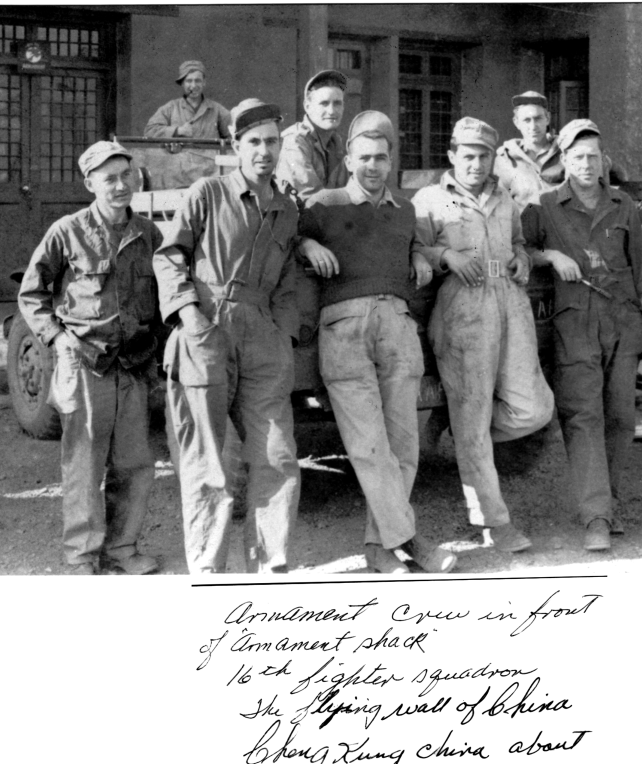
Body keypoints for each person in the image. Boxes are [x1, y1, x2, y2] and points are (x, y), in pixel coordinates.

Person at [297, 111, 457, 574]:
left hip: (398, 327)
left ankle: (379, 548)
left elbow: (409, 243)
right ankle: (409, 540)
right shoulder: (323, 204)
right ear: (348, 159)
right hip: (345, 330)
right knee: (368, 446)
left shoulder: (405, 211)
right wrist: (308, 245)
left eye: (381, 158)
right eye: (363, 157)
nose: (372, 166)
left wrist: (417, 254)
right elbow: (286, 239)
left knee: (403, 446)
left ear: (391, 163)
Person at [153, 99, 300, 574]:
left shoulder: (285, 208)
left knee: (275, 452)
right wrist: (190, 316)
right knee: (209, 458)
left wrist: (283, 333)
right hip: (207, 326)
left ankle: (271, 560)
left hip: (262, 334)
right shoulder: (207, 193)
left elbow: (288, 279)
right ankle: (208, 567)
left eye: (272, 141)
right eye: (253, 142)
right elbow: (169, 256)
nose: (263, 151)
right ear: (235, 146)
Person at [18, 141, 162, 575]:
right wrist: (56, 338)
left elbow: (160, 298)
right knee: (85, 464)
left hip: (134, 364)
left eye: (126, 176)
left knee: (135, 465)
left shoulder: (149, 234)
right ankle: (82, 556)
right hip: (85, 361)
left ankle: (122, 550)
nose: (120, 186)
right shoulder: (68, 230)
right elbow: (32, 293)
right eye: (109, 179)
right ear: (90, 184)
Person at [413, 117, 555, 555]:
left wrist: (521, 261)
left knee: (534, 408)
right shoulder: (429, 200)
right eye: (468, 155)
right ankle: (496, 523)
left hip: (510, 303)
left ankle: (456, 425)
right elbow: (413, 251)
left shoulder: (505, 197)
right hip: (462, 309)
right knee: (473, 426)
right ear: (452, 155)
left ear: (494, 158)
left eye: (484, 156)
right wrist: (445, 256)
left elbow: (517, 244)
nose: (476, 164)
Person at [522, 119, 642, 551]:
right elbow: (519, 250)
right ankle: (596, 516)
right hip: (575, 325)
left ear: (604, 161)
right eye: (577, 157)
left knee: (621, 418)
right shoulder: (543, 206)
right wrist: (549, 255)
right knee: (584, 418)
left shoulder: (623, 206)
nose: (586, 164)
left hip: (624, 324)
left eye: (593, 156)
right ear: (564, 161)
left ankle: (609, 500)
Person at [144, 60, 231, 186]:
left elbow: (233, 137)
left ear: (204, 83)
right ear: (182, 84)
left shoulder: (217, 110)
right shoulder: (171, 108)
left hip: (209, 177)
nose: (193, 85)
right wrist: (177, 131)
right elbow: (149, 131)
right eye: (189, 81)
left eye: (198, 80)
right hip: (179, 179)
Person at [275, 69, 349, 202]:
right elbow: (310, 199)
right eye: (324, 104)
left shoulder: (335, 142)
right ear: (307, 106)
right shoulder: (296, 141)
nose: (332, 111)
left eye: (337, 103)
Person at [494, 90, 565, 210]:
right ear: (516, 122)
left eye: (538, 119)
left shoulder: (565, 151)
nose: (533, 126)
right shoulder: (505, 159)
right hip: (524, 226)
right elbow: (501, 204)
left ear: (547, 118)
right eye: (526, 120)